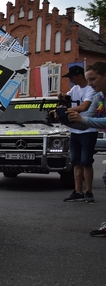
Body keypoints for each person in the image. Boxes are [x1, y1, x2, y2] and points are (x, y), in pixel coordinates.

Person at [67, 62, 106, 235]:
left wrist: (82, 120)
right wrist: (66, 119)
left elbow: (89, 121)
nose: (89, 83)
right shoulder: (99, 97)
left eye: (93, 79)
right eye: (88, 79)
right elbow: (87, 120)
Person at [60, 65, 97, 202]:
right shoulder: (74, 89)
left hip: (88, 129)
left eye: (72, 77)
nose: (71, 80)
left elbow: (84, 107)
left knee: (86, 161)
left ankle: (88, 191)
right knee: (76, 162)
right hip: (75, 129)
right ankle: (78, 191)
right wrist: (62, 100)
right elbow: (66, 99)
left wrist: (66, 112)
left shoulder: (90, 90)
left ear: (79, 76)